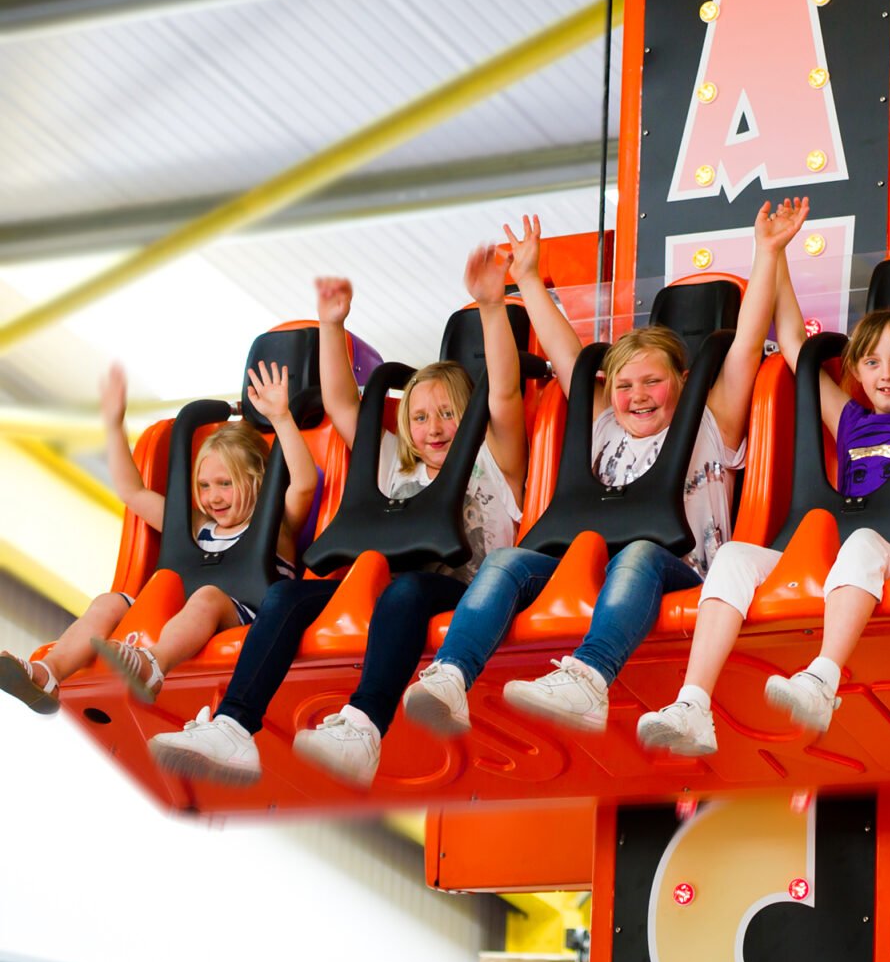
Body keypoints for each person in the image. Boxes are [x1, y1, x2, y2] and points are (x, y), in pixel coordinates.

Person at [632, 182, 890, 756]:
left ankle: (822, 679)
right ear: (856, 371)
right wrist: (777, 252)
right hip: (835, 557)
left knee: (861, 542)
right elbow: (793, 343)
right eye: (873, 362)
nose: (887, 374)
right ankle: (693, 703)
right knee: (735, 557)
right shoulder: (852, 420)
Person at [399, 200, 806, 739]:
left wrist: (768, 252)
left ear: (683, 383)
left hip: (677, 571)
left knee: (638, 553)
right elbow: (568, 356)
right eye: (624, 385)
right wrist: (528, 280)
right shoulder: (605, 426)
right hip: (594, 571)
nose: (638, 396)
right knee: (506, 562)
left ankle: (589, 680)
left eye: (652, 381)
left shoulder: (711, 421)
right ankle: (451, 677)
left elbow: (748, 343)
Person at [147, 242, 526, 787]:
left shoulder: (493, 458)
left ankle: (364, 727)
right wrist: (331, 325)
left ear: (469, 418)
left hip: (464, 592)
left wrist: (491, 306)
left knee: (407, 590)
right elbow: (344, 406)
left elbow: (505, 392)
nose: (434, 427)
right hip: (384, 591)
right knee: (286, 596)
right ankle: (232, 726)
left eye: (448, 413)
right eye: (420, 417)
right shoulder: (396, 466)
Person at [0, 362, 316, 713]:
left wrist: (281, 418)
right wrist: (113, 426)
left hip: (246, 614)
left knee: (208, 596)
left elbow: (304, 483)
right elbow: (132, 493)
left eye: (225, 484)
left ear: (259, 480)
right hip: (178, 612)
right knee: (108, 602)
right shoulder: (197, 525)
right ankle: (48, 673)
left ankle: (153, 666)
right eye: (204, 485)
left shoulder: (277, 523)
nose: (213, 497)